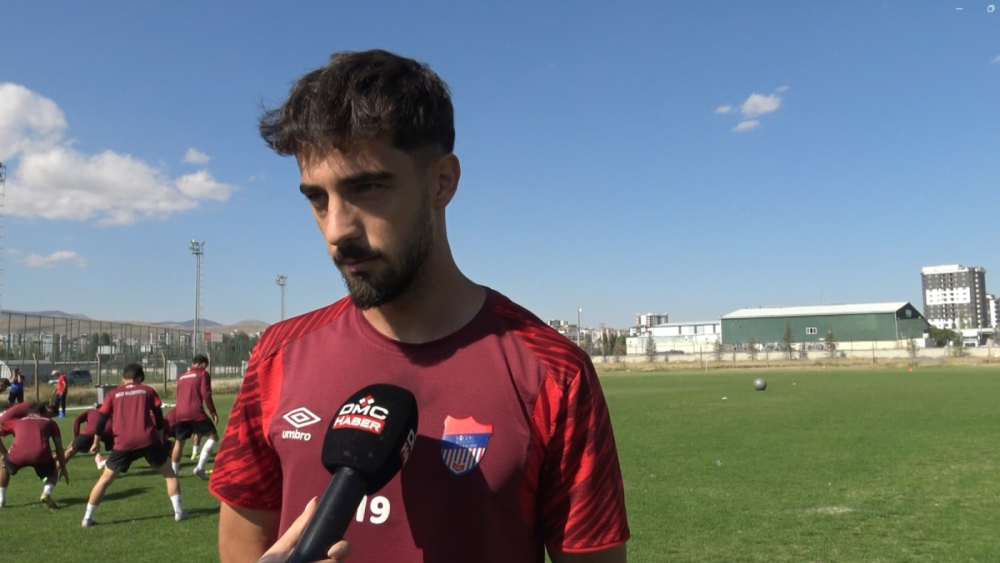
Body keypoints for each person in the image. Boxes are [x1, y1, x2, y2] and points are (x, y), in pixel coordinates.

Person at [210, 50, 629, 563]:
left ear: (442, 181)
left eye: (367, 187)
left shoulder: (554, 373)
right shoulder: (276, 357)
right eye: (317, 198)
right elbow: (242, 547)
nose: (336, 229)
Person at [81, 364, 187, 527]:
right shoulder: (147, 390)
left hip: (123, 443)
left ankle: (87, 518)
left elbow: (101, 420)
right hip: (147, 439)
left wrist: (96, 441)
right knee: (169, 474)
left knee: (105, 480)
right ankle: (179, 512)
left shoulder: (113, 394)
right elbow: (158, 416)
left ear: (123, 379)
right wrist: (160, 436)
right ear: (140, 378)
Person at [0, 402, 68, 508]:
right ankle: (46, 493)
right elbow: (58, 446)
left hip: (17, 455)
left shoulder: (16, 421)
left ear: (29, 414)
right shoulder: (51, 423)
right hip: (41, 456)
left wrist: (5, 453)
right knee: (53, 473)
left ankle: (1, 499)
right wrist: (63, 467)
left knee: (4, 463)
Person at [170, 354, 218, 479]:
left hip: (180, 413)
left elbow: (179, 395)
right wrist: (213, 411)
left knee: (179, 443)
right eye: (205, 366)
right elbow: (206, 394)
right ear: (203, 364)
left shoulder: (181, 376)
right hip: (196, 412)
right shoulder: (203, 374)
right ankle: (200, 468)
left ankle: (174, 473)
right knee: (213, 437)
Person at [64, 403, 114, 469]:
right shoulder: (109, 413)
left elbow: (77, 420)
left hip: (90, 432)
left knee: (69, 452)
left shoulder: (90, 411)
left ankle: (54, 468)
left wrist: (76, 438)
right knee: (97, 442)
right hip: (109, 432)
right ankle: (100, 460)